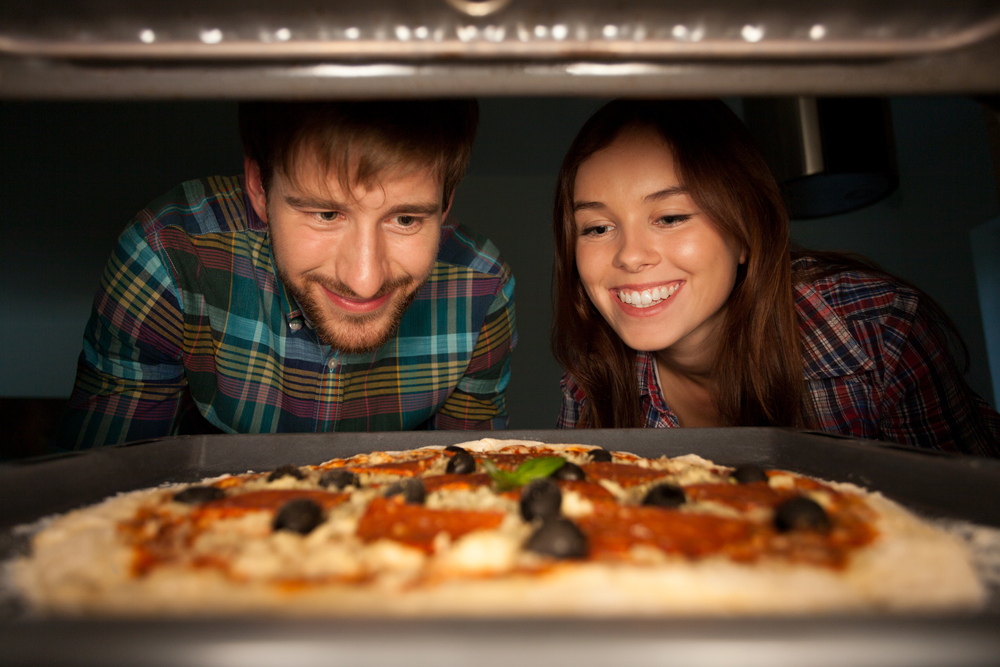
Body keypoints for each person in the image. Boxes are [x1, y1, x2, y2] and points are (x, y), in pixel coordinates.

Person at [552, 98, 1000, 457]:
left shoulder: (878, 331)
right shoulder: (590, 380)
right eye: (596, 228)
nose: (630, 255)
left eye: (670, 217)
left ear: (746, 232)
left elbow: (972, 523)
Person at [59, 99, 516, 448]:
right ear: (259, 188)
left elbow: (467, 493)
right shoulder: (169, 255)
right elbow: (108, 496)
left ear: (447, 203)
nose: (365, 280)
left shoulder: (482, 290)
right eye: (324, 214)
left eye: (406, 220)